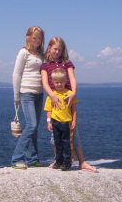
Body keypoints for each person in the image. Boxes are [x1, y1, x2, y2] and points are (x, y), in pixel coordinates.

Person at [40, 37, 98, 173]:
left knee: (73, 134)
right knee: (55, 137)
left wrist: (73, 93)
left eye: (60, 49)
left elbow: (72, 79)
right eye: (55, 49)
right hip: (54, 100)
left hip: (68, 98)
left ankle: (81, 161)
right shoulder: (45, 66)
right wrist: (52, 95)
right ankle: (58, 159)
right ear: (49, 48)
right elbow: (45, 83)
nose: (57, 52)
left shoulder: (67, 63)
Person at [11, 26, 46, 169]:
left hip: (39, 93)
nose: (36, 40)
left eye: (39, 37)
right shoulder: (23, 52)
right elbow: (16, 73)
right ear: (28, 37)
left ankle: (32, 159)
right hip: (26, 92)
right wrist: (16, 95)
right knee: (31, 125)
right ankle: (16, 158)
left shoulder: (40, 54)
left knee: (35, 127)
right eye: (34, 37)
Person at [44, 68, 78, 171]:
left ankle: (67, 162)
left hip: (66, 121)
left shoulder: (69, 93)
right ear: (53, 82)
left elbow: (74, 108)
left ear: (65, 82)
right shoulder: (51, 96)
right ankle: (58, 161)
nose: (59, 84)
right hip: (55, 121)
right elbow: (48, 110)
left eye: (61, 82)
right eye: (56, 82)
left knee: (67, 143)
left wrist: (74, 120)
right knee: (57, 142)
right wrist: (49, 121)